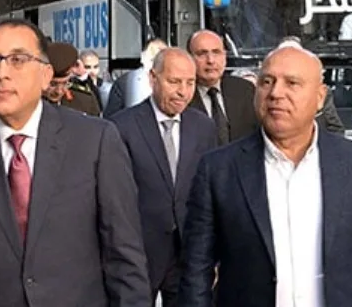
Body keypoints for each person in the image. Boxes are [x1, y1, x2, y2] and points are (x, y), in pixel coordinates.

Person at [0, 19, 151, 307]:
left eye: (17, 60)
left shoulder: (95, 142)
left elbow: (124, 258)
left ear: (45, 75)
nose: (1, 73)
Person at [177, 43, 352, 306]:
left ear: (320, 97)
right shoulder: (219, 169)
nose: (275, 93)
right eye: (266, 82)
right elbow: (195, 273)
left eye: (292, 83)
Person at [110, 48, 217, 306]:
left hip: (188, 254)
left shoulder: (204, 127)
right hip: (138, 255)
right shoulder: (120, 128)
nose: (183, 92)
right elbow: (113, 200)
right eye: (174, 82)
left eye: (190, 83)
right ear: (152, 79)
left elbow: (211, 192)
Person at [187, 30, 258, 145]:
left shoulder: (245, 89)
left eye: (216, 52)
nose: (211, 60)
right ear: (189, 58)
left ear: (225, 56)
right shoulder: (183, 95)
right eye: (202, 54)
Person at [104, 38, 167, 117]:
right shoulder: (125, 82)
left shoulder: (173, 83)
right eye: (152, 59)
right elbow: (112, 116)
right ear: (143, 57)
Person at [43, 42, 101, 116]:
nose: (59, 91)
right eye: (53, 84)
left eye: (65, 83)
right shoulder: (31, 101)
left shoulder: (85, 101)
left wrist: (83, 75)